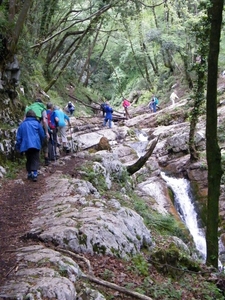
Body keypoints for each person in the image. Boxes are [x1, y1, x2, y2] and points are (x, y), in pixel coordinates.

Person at [15, 110, 45, 182]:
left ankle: (29, 173)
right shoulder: (37, 124)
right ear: (34, 116)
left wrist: (18, 147)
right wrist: (41, 142)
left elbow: (18, 137)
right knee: (35, 158)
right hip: (35, 144)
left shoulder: (22, 125)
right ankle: (35, 174)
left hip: (26, 145)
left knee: (28, 159)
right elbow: (42, 134)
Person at [25, 98, 50, 166]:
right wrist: (46, 131)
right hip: (39, 127)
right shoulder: (42, 108)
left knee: (34, 144)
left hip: (29, 129)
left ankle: (35, 163)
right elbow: (44, 121)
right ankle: (46, 159)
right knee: (44, 144)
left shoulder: (29, 107)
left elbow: (24, 119)